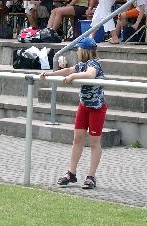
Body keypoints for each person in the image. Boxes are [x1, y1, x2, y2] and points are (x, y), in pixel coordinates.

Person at [39, 37, 106, 189]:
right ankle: (71, 172)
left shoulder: (94, 63)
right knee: (77, 138)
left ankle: (91, 176)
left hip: (96, 108)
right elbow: (68, 70)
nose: (77, 52)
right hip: (84, 106)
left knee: (94, 142)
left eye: (78, 49)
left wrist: (73, 76)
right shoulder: (82, 64)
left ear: (84, 51)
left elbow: (90, 75)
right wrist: (49, 74)